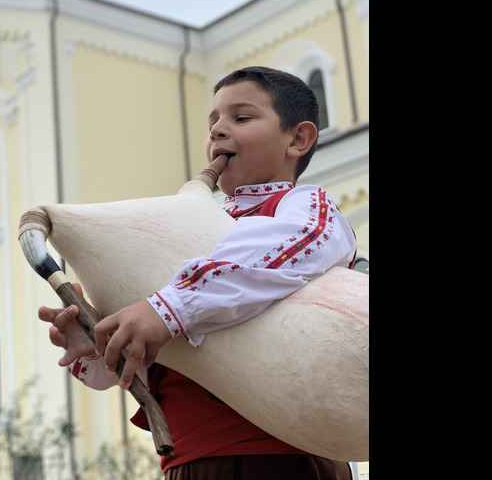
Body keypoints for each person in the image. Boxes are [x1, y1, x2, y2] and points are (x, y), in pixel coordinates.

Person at [38, 66, 358, 479]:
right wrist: (98, 343)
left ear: (297, 139)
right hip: (186, 462)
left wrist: (165, 308)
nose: (218, 132)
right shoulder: (196, 233)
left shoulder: (304, 206)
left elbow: (292, 246)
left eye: (241, 118)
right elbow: (174, 353)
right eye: (213, 123)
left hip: (278, 458)